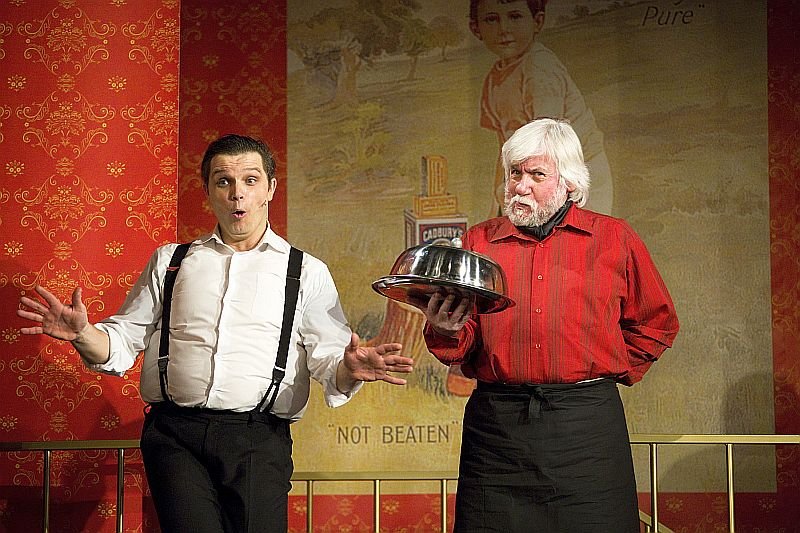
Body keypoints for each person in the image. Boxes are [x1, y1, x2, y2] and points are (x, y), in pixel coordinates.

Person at [17, 134, 414, 533]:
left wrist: (350, 369)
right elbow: (122, 339)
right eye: (224, 181)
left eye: (250, 181)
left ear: (270, 189)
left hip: (258, 439)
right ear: (207, 190)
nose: (237, 193)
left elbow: (329, 361)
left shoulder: (306, 272)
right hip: (175, 436)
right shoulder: (172, 262)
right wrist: (83, 333)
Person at [422, 118, 678, 533]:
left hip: (587, 430)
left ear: (569, 182)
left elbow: (656, 322)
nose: (520, 186)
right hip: (498, 434)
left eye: (537, 175)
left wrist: (605, 368)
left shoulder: (614, 238)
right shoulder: (478, 243)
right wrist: (448, 329)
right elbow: (463, 340)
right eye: (514, 173)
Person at [470, 0, 614, 218]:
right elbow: (504, 149)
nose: (504, 29)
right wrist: (496, 211)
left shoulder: (539, 69)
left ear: (537, 21)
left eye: (515, 16)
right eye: (492, 19)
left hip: (575, 179)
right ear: (476, 28)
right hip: (532, 180)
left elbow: (546, 148)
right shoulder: (494, 79)